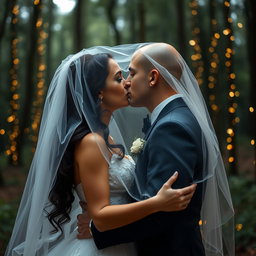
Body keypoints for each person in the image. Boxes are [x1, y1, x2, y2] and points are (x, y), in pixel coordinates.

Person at [5, 48, 197, 256]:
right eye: (118, 78)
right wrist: (156, 203)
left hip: (123, 243)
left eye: (127, 75)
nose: (126, 82)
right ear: (98, 92)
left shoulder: (108, 140)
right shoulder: (92, 142)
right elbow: (101, 215)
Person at [78, 43, 235, 256]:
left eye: (131, 73)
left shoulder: (171, 127)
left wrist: (98, 229)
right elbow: (154, 199)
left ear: (153, 77)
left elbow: (165, 212)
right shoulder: (173, 119)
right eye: (120, 77)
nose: (126, 82)